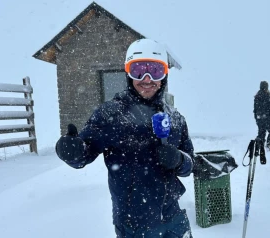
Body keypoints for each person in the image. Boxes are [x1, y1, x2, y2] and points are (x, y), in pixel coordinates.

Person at [55, 39, 194, 238]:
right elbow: (83, 154)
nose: (147, 79)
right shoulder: (110, 115)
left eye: (155, 71)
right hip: (134, 224)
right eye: (139, 71)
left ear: (164, 75)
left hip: (174, 219)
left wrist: (179, 160)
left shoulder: (175, 118)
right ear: (128, 74)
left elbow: (191, 164)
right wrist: (72, 151)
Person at [253, 81, 270, 151]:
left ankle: (259, 142)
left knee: (261, 131)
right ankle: (269, 142)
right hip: (267, 117)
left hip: (259, 118)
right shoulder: (268, 96)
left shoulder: (257, 96)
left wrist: (256, 118)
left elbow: (255, 109)